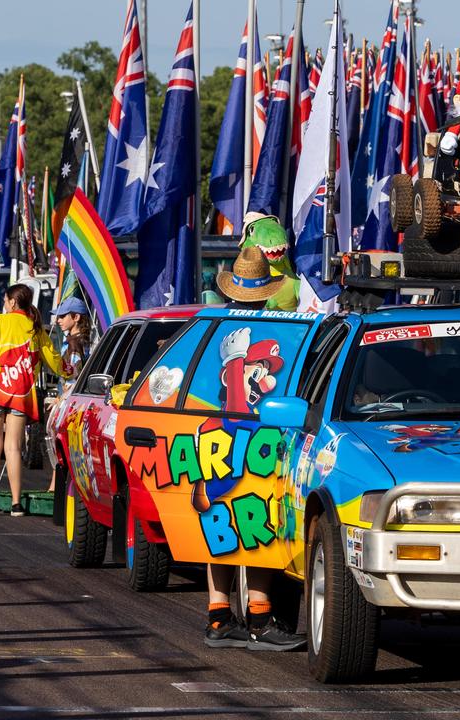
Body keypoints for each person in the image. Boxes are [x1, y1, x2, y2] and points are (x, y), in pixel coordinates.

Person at [200, 245, 306, 652]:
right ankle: (260, 620)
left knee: (219, 529)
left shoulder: (210, 325)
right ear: (266, 291)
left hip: (210, 440)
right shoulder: (277, 329)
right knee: (257, 522)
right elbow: (240, 401)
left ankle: (219, 616)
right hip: (257, 440)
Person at [0, 284, 68, 517]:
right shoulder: (36, 328)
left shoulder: (0, 321)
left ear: (12, 302)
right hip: (21, 391)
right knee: (14, 448)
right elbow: (55, 362)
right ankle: (16, 504)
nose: (4, 304)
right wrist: (71, 370)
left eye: (6, 300)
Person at [45, 296, 91, 493]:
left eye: (63, 316)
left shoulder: (75, 344)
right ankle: (55, 486)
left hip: (69, 403)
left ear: (77, 317)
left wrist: (60, 399)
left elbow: (76, 377)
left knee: (60, 445)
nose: (58, 320)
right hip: (69, 400)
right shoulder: (75, 341)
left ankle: (56, 488)